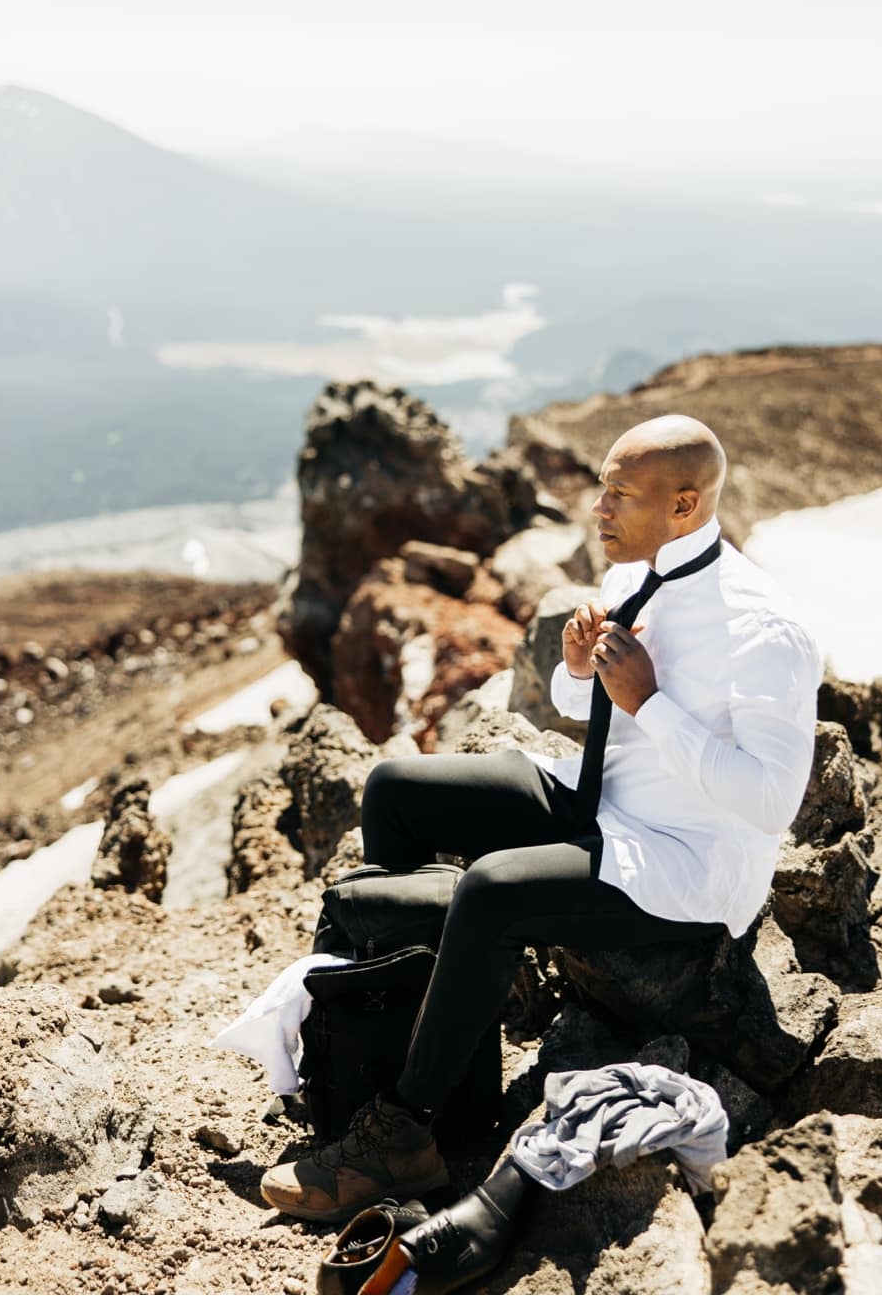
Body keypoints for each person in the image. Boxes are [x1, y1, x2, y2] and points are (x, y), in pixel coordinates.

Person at [262, 414, 822, 1221]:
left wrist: (652, 703)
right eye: (601, 486)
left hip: (681, 858)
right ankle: (391, 1057)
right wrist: (575, 672)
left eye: (620, 494)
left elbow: (776, 802)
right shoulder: (637, 571)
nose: (597, 508)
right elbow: (592, 711)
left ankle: (405, 1137)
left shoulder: (765, 628)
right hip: (603, 797)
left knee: (489, 890)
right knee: (394, 789)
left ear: (686, 504)